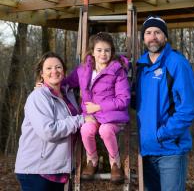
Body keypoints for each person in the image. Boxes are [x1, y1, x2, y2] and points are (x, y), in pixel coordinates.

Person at [136, 16, 194, 191]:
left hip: (170, 150)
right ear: (143, 38)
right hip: (147, 151)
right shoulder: (140, 67)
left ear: (165, 37)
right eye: (148, 33)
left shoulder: (177, 63)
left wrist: (162, 134)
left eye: (157, 32)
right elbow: (135, 102)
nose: (152, 37)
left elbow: (189, 108)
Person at [64, 32, 131, 183]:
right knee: (86, 129)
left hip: (112, 116)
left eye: (107, 50)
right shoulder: (83, 70)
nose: (103, 54)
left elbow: (124, 99)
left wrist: (99, 107)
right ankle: (92, 160)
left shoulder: (118, 71)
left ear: (112, 52)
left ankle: (115, 163)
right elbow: (66, 83)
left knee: (105, 130)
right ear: (92, 51)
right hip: (92, 116)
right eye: (99, 50)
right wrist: (45, 86)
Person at [15, 52, 84, 191]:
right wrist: (80, 119)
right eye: (49, 68)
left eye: (58, 67)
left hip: (57, 169)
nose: (54, 71)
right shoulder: (38, 96)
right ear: (41, 73)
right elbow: (48, 131)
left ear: (64, 71)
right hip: (36, 170)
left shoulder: (68, 95)